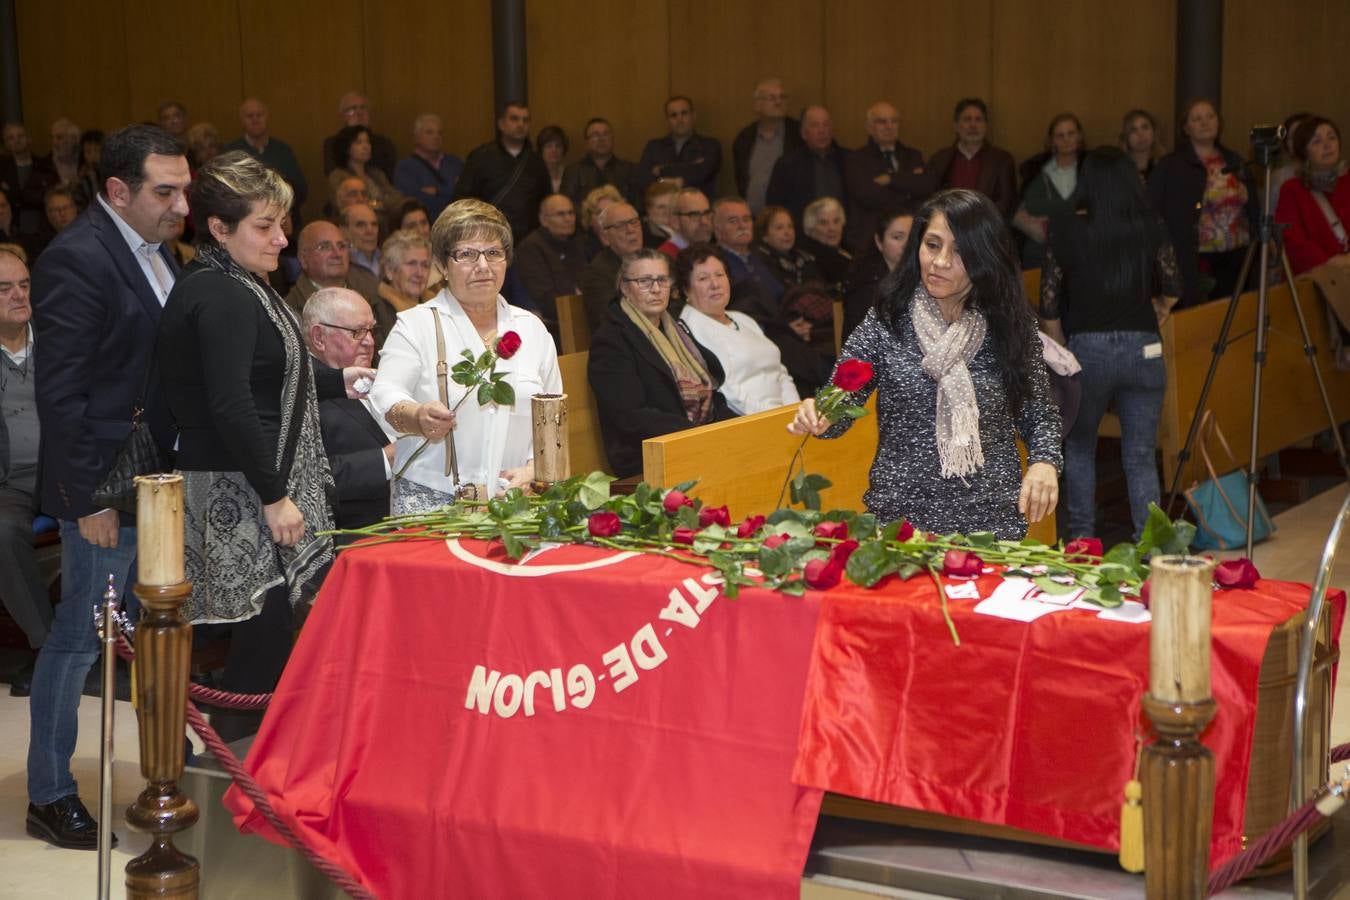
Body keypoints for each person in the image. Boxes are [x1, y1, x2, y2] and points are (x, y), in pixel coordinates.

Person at [157, 152, 373, 740]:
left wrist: (339, 381)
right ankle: (244, 770)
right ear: (220, 229)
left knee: (269, 638)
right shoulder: (222, 294)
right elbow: (230, 404)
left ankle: (255, 760)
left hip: (249, 480)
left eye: (282, 224)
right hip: (240, 487)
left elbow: (272, 374)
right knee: (260, 641)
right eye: (264, 227)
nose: (281, 238)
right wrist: (275, 495)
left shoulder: (238, 282)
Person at [27, 123, 190, 850]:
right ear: (118, 191)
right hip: (105, 486)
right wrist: (85, 498)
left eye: (184, 188)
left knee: (153, 631)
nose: (181, 203)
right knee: (77, 643)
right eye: (166, 191)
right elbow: (58, 394)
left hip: (159, 482)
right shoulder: (76, 259)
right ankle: (49, 791)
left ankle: (161, 764)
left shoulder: (161, 254)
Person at [789, 189, 1062, 539]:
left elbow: (1039, 413)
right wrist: (821, 411)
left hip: (992, 522)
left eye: (959, 251)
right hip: (901, 522)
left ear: (985, 256)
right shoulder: (886, 321)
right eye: (932, 245)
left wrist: (1044, 462)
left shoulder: (1010, 325)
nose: (940, 262)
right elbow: (842, 398)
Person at [371, 199, 559, 512]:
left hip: (514, 498)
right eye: (467, 254)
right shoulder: (416, 324)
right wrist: (417, 416)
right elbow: (384, 395)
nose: (483, 266)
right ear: (442, 265)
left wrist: (534, 470)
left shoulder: (531, 329)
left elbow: (552, 416)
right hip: (433, 499)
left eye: (493, 253)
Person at [1040, 148, 1181, 539]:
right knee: (1139, 456)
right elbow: (1174, 285)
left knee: (1081, 448)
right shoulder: (1150, 225)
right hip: (1145, 350)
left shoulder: (1066, 227)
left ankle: (1083, 539)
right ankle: (1152, 546)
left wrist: (1062, 348)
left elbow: (1048, 301)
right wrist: (1159, 310)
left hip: (1089, 352)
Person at [588, 249, 732, 477]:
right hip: (647, 456)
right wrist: (701, 435)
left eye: (662, 280)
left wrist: (731, 427)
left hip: (692, 439)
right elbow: (631, 416)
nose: (656, 289)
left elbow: (710, 389)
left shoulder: (673, 328)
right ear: (625, 288)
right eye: (644, 281)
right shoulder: (611, 340)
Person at [1148, 99, 1258, 308]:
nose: (1205, 122)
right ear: (1186, 128)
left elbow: (1252, 205)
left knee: (1234, 314)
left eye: (1210, 116)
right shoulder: (1171, 164)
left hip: (1237, 255)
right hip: (1194, 257)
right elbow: (1152, 208)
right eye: (1197, 119)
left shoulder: (1235, 160)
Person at [301, 287, 393, 530]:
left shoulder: (383, 377)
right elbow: (305, 479)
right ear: (319, 337)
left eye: (371, 330)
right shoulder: (303, 391)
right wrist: (387, 460)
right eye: (357, 332)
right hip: (350, 539)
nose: (370, 342)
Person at [0, 244, 49, 699]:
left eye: (23, 285)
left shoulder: (56, 339)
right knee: (1, 530)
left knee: (125, 513)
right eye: (3, 289)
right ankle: (48, 647)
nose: (18, 296)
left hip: (63, 470)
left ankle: (123, 645)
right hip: (8, 483)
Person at [676, 244, 797, 415]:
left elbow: (780, 371)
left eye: (720, 275)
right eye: (703, 278)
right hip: (749, 421)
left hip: (786, 416)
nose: (715, 284)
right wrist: (774, 418)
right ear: (686, 289)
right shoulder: (691, 327)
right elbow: (727, 390)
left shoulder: (743, 319)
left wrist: (794, 410)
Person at [454, 101, 551, 242]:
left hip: (528, 240)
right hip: (489, 235)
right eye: (514, 119)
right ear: (501, 124)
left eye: (525, 120)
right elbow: (463, 199)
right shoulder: (481, 157)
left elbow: (546, 201)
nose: (520, 124)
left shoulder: (536, 161)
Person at [844, 101, 931, 253]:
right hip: (871, 238)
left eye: (894, 121)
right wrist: (908, 187)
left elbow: (925, 186)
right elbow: (868, 195)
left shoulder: (913, 155)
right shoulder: (856, 159)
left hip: (911, 236)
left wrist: (890, 179)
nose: (889, 126)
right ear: (869, 128)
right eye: (882, 122)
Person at [283, 220, 389, 345]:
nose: (337, 254)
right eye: (325, 247)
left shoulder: (371, 297)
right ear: (303, 258)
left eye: (342, 246)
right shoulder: (290, 311)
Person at [1275, 116, 1350, 275]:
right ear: (1304, 151)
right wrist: (1330, 266)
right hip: (1317, 279)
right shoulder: (1292, 190)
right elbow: (1293, 242)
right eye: (1317, 141)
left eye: (1332, 137)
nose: (1327, 145)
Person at [1013, 113, 1086, 269]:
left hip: (1083, 249)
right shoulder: (1036, 170)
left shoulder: (1091, 168)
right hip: (1040, 252)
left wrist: (1051, 210)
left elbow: (1094, 205)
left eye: (1071, 133)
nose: (1066, 139)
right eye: (1060, 135)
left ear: (1079, 136)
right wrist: (1071, 209)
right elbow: (1033, 206)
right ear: (1052, 141)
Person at [928, 99, 1017, 219]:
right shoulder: (940, 159)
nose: (973, 125)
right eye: (967, 119)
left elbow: (1006, 203)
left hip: (986, 227)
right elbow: (932, 199)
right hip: (948, 225)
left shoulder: (1002, 160)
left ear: (985, 126)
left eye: (978, 120)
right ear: (956, 125)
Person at [223, 99, 309, 222]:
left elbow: (300, 189)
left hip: (284, 218)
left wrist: (284, 211)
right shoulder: (231, 153)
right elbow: (226, 194)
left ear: (267, 118)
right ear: (242, 121)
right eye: (249, 116)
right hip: (245, 220)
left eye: (259, 115)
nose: (255, 119)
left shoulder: (283, 150)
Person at [514, 193, 586, 337]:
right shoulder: (531, 248)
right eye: (560, 214)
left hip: (577, 319)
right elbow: (545, 299)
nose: (568, 218)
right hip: (551, 327)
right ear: (543, 220)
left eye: (571, 213)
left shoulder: (576, 244)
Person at [842, 205, 915, 342]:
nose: (906, 244)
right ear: (879, 242)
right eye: (897, 237)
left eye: (912, 237)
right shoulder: (866, 287)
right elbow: (857, 344)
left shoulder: (927, 278)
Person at [766, 105, 847, 226]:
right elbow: (775, 208)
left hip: (842, 234)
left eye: (826, 125)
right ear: (804, 133)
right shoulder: (787, 165)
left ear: (832, 130)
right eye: (815, 125)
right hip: (802, 235)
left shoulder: (848, 159)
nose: (822, 131)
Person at [632, 96, 722, 203]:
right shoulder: (654, 147)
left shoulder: (709, 145)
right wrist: (683, 174)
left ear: (693, 116)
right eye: (673, 115)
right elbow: (643, 179)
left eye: (684, 113)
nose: (680, 120)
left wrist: (661, 171)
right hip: (663, 210)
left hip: (698, 210)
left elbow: (701, 174)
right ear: (667, 120)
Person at [732, 77, 802, 212]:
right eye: (772, 98)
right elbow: (741, 180)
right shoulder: (744, 139)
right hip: (753, 218)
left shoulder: (799, 135)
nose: (778, 102)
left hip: (789, 217)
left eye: (782, 97)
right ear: (757, 105)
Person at [579, 200, 645, 331]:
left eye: (634, 222)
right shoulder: (597, 273)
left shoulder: (654, 261)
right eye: (621, 226)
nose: (631, 230)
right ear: (605, 237)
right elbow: (609, 319)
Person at [393, 113, 463, 223]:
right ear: (416, 138)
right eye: (429, 132)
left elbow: (463, 194)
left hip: (457, 222)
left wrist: (437, 191)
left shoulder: (455, 163)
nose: (436, 137)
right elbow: (417, 202)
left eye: (439, 133)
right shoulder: (405, 167)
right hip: (425, 224)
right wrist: (450, 189)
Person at [752, 203, 821, 303]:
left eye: (790, 226)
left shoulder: (805, 258)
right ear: (764, 235)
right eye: (779, 228)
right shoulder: (762, 261)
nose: (787, 233)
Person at [327, 125, 403, 213]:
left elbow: (397, 198)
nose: (366, 147)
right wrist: (382, 203)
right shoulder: (338, 176)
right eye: (359, 142)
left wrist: (377, 204)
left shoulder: (377, 173)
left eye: (367, 142)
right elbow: (349, 204)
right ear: (346, 147)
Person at [561, 117, 634, 207]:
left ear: (613, 139)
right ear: (586, 142)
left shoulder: (628, 169)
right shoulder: (573, 171)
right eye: (595, 135)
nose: (601, 139)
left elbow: (635, 203)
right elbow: (566, 204)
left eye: (606, 134)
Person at [322, 91, 397, 178]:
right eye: (351, 110)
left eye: (363, 108)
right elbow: (333, 173)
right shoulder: (332, 143)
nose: (359, 113)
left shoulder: (384, 143)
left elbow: (390, 175)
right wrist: (351, 133)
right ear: (342, 117)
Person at [797, 196, 852, 293]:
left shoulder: (848, 249)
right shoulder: (811, 261)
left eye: (836, 221)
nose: (832, 228)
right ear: (810, 228)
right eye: (823, 223)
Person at [377, 228, 432, 313]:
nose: (420, 273)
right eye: (411, 264)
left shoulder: (436, 305)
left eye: (425, 265)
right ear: (389, 270)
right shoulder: (378, 313)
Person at [658, 187, 712, 258]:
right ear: (675, 222)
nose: (704, 221)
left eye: (707, 213)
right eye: (694, 215)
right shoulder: (666, 259)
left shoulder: (711, 252)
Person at [1120, 109, 1163, 182]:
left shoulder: (1166, 166)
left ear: (1154, 132)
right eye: (1133, 130)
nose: (1140, 134)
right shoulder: (1120, 169)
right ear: (1126, 137)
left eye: (1145, 127)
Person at [342, 202, 383, 277]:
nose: (370, 231)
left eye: (374, 224)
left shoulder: (387, 260)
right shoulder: (340, 265)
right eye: (361, 225)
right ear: (344, 231)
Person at [70, 129, 104, 211]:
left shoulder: (113, 173)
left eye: (97, 150)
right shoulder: (81, 178)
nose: (93, 156)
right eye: (88, 152)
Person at [642, 180, 679, 248]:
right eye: (661, 207)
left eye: (671, 205)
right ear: (649, 210)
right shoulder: (644, 237)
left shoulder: (686, 228)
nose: (668, 211)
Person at [537, 125, 569, 194]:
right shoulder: (533, 176)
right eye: (548, 146)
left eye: (558, 146)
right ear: (541, 150)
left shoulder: (570, 175)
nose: (553, 150)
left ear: (564, 150)